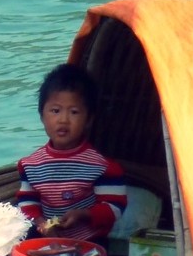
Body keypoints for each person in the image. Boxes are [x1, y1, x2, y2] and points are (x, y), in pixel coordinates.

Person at [16, 63, 126, 244]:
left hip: (89, 240)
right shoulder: (31, 165)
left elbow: (114, 207)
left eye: (74, 112)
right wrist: (41, 223)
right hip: (47, 238)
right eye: (55, 111)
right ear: (42, 115)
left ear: (89, 119)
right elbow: (28, 202)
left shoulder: (102, 167)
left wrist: (83, 215)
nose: (63, 120)